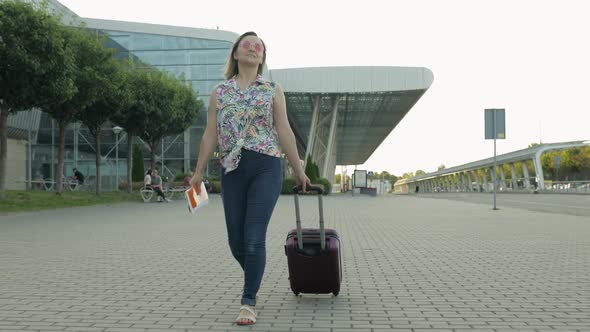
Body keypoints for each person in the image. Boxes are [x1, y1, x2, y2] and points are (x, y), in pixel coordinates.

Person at [191, 31, 311, 326]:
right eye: (247, 44)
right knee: (236, 242)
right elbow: (211, 134)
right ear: (235, 53)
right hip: (231, 169)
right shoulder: (220, 92)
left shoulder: (272, 89)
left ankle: (248, 301)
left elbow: (283, 130)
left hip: (266, 167)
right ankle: (255, 274)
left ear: (262, 57)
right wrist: (197, 171)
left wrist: (298, 169)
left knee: (254, 237)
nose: (253, 48)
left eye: (259, 46)